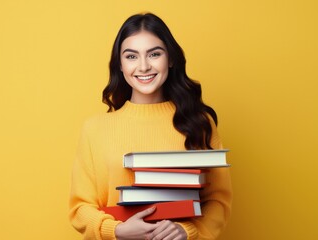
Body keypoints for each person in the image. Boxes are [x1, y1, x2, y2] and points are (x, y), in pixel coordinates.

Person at [69, 12, 232, 240]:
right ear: (120, 65)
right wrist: (116, 230)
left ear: (171, 59)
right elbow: (80, 207)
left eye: (154, 54)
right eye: (131, 56)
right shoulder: (94, 129)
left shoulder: (199, 123)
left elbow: (218, 200)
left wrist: (188, 231)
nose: (144, 66)